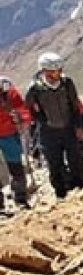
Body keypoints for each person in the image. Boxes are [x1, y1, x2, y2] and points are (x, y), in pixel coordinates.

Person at [25, 53, 83, 199]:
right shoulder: (35, 89)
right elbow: (28, 108)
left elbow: (74, 106)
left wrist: (79, 127)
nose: (59, 73)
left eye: (59, 70)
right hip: (48, 132)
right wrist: (41, 119)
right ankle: (61, 194)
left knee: (76, 159)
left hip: (69, 127)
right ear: (46, 71)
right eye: (56, 71)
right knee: (55, 164)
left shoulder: (67, 83)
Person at [0, 76, 31, 211]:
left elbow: (22, 109)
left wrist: (22, 119)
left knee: (16, 166)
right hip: (8, 133)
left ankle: (20, 198)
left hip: (9, 133)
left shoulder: (10, 92)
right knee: (15, 166)